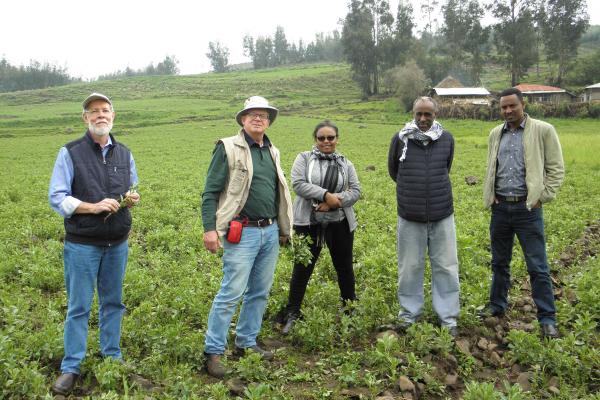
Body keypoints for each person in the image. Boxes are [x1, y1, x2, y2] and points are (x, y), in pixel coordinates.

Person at [49, 93, 140, 395]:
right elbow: (57, 197)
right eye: (94, 111)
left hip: (117, 243)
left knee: (113, 302)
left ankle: (111, 356)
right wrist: (93, 206)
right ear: (85, 118)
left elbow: (131, 187)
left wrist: (131, 199)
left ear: (113, 115)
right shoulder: (70, 152)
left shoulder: (124, 153)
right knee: (79, 306)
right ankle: (71, 366)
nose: (101, 115)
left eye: (105, 111)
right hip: (82, 245)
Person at [201, 96, 293, 378]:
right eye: (252, 114)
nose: (258, 118)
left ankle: (246, 342)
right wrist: (210, 229)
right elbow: (210, 192)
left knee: (259, 292)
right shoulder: (228, 147)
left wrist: (283, 229)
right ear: (242, 119)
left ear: (268, 121)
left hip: (269, 231)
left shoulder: (272, 150)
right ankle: (213, 352)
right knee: (231, 292)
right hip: (242, 232)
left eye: (263, 115)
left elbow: (278, 192)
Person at [480, 88, 564, 338]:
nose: (507, 111)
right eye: (503, 107)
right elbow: (492, 166)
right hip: (501, 208)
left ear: (522, 104)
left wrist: (542, 197)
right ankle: (496, 305)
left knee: (538, 266)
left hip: (528, 209)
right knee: (499, 262)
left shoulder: (543, 130)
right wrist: (491, 194)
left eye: (511, 106)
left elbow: (556, 169)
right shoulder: (496, 133)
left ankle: (547, 318)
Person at [387, 96, 460, 337]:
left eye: (428, 114)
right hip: (410, 215)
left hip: (442, 214)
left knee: (446, 267)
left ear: (435, 115)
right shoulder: (401, 139)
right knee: (409, 267)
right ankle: (409, 315)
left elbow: (445, 168)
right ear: (413, 113)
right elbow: (394, 171)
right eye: (419, 113)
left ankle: (448, 318)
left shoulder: (446, 139)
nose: (423, 119)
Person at [281, 120, 361, 334]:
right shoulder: (304, 158)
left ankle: (349, 309)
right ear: (315, 140)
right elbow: (298, 184)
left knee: (344, 267)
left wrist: (336, 201)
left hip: (340, 222)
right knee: (302, 269)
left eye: (331, 138)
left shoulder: (346, 163)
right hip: (308, 222)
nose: (326, 141)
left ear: (337, 139)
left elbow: (355, 190)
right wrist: (325, 195)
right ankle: (293, 312)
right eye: (321, 138)